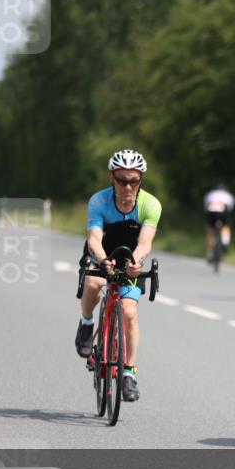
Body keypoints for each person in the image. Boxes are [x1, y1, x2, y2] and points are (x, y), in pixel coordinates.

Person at [74, 149, 161, 402]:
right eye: (122, 180)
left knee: (129, 312)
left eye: (133, 181)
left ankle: (129, 373)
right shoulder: (99, 201)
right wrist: (103, 260)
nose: (127, 187)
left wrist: (136, 262)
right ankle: (86, 323)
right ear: (112, 177)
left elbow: (145, 243)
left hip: (130, 257)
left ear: (141, 180)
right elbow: (94, 238)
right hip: (101, 252)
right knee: (93, 282)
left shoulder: (150, 204)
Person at [203, 183, 235, 263]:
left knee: (211, 231)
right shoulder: (228, 195)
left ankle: (210, 253)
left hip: (212, 211)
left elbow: (205, 206)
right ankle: (225, 241)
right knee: (225, 226)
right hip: (223, 211)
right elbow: (230, 208)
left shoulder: (210, 194)